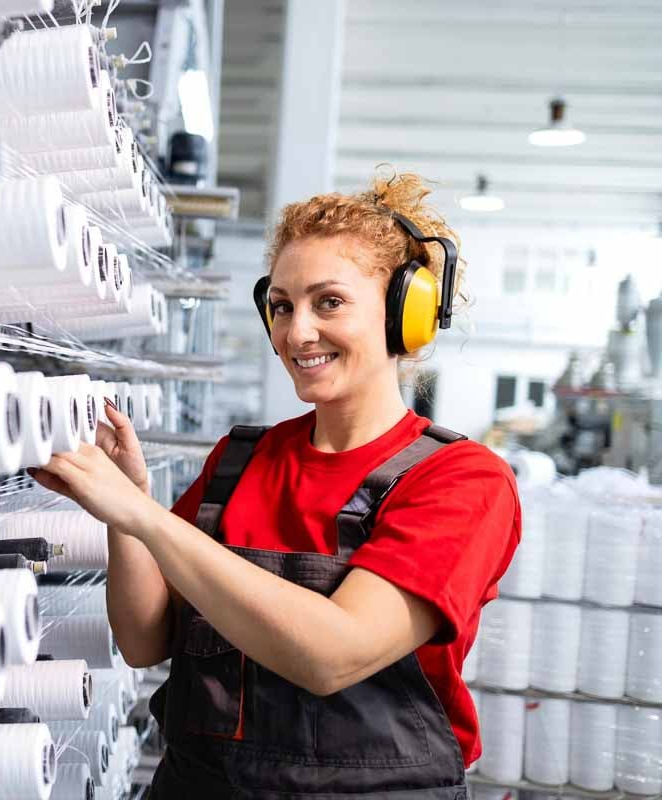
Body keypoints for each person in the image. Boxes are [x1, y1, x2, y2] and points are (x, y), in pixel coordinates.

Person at [30, 172, 521, 798]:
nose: (297, 332)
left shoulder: (461, 480)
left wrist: (144, 516)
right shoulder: (240, 460)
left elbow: (332, 655)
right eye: (283, 305)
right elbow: (144, 640)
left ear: (407, 316)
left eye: (330, 302)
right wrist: (126, 515)